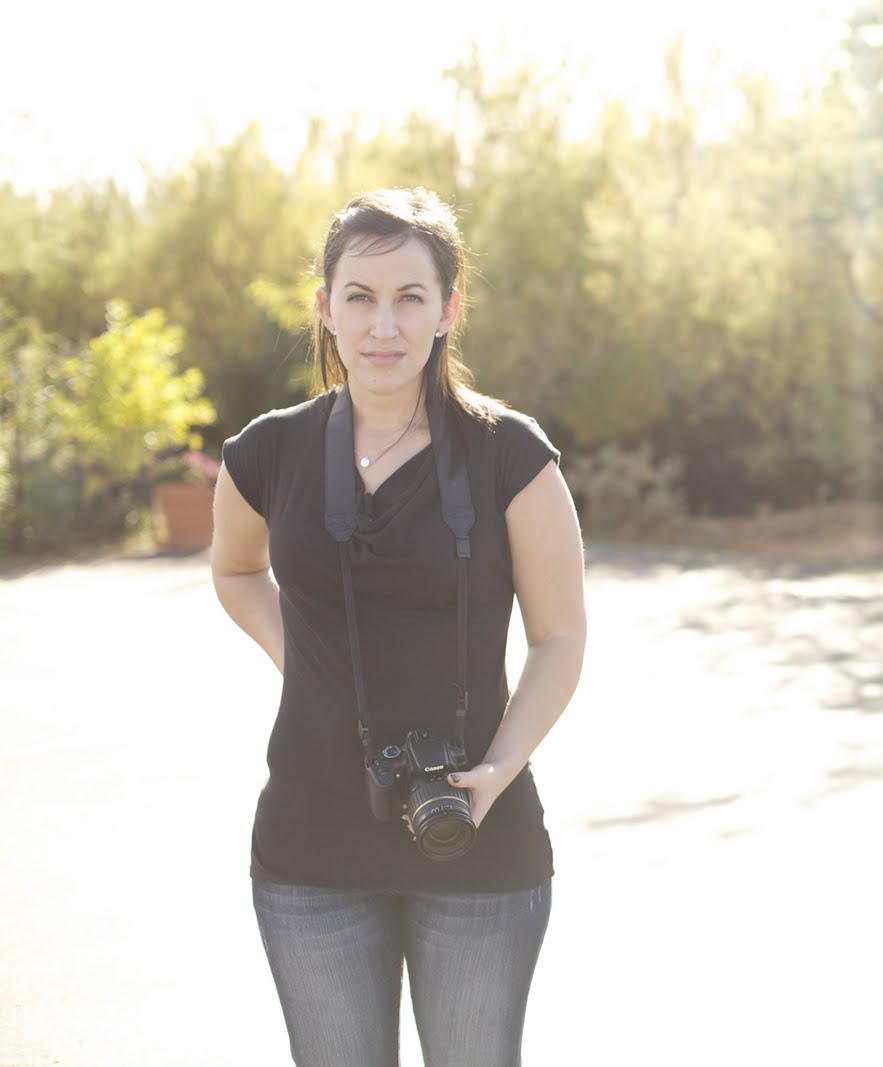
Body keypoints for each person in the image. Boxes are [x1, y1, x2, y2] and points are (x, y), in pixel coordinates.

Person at [210, 187, 586, 1066]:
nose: (384, 325)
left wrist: (498, 770)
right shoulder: (265, 451)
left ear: (449, 309)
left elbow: (561, 637)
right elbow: (234, 571)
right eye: (360, 297)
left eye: (411, 297)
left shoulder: (511, 454)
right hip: (310, 842)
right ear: (325, 306)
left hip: (476, 833)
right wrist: (304, 657)